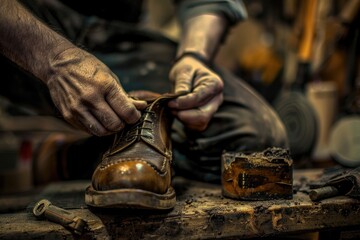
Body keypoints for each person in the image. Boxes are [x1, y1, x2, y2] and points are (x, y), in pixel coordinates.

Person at [0, 0, 288, 209]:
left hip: (116, 35)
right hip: (19, 27)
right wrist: (54, 59)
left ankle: (64, 158)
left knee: (255, 135)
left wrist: (194, 56)